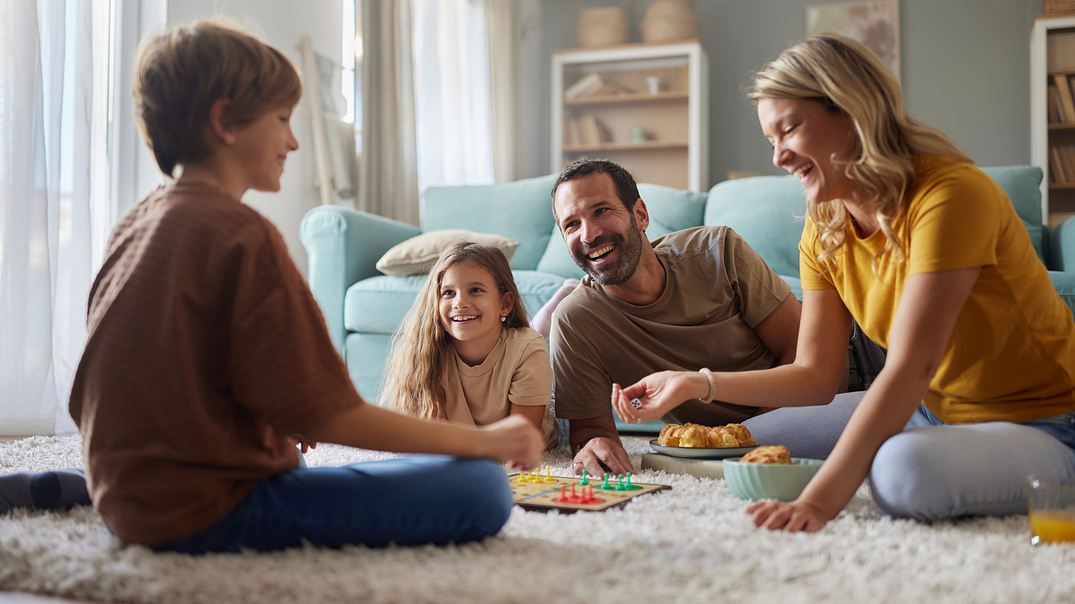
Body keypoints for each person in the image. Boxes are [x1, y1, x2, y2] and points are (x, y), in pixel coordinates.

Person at [0, 20, 544, 554]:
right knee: (481, 487)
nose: (294, 140)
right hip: (203, 513)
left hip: (125, 491)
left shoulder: (137, 223)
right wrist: (487, 441)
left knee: (325, 460)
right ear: (226, 122)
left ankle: (73, 485)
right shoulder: (241, 234)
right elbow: (330, 416)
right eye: (282, 119)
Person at [614, 34, 1075, 531]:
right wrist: (696, 383)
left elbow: (910, 367)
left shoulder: (951, 196)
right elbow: (816, 374)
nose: (778, 157)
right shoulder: (826, 222)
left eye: (789, 129)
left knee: (900, 473)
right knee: (745, 442)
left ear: (852, 111)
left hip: (1045, 421)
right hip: (930, 409)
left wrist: (818, 502)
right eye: (771, 139)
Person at [549, 158, 824, 478]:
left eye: (601, 211)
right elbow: (590, 429)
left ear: (640, 215)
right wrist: (596, 444)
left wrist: (744, 438)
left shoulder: (719, 252)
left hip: (851, 373)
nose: (589, 234)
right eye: (571, 224)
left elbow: (799, 349)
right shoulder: (575, 321)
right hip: (753, 435)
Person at [383, 242, 559, 449]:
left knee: (530, 341)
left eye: (475, 290)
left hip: (544, 424)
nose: (460, 303)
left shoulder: (527, 349)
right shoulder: (428, 352)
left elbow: (519, 442)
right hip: (478, 439)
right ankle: (539, 323)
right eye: (448, 293)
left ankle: (549, 315)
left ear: (505, 304)